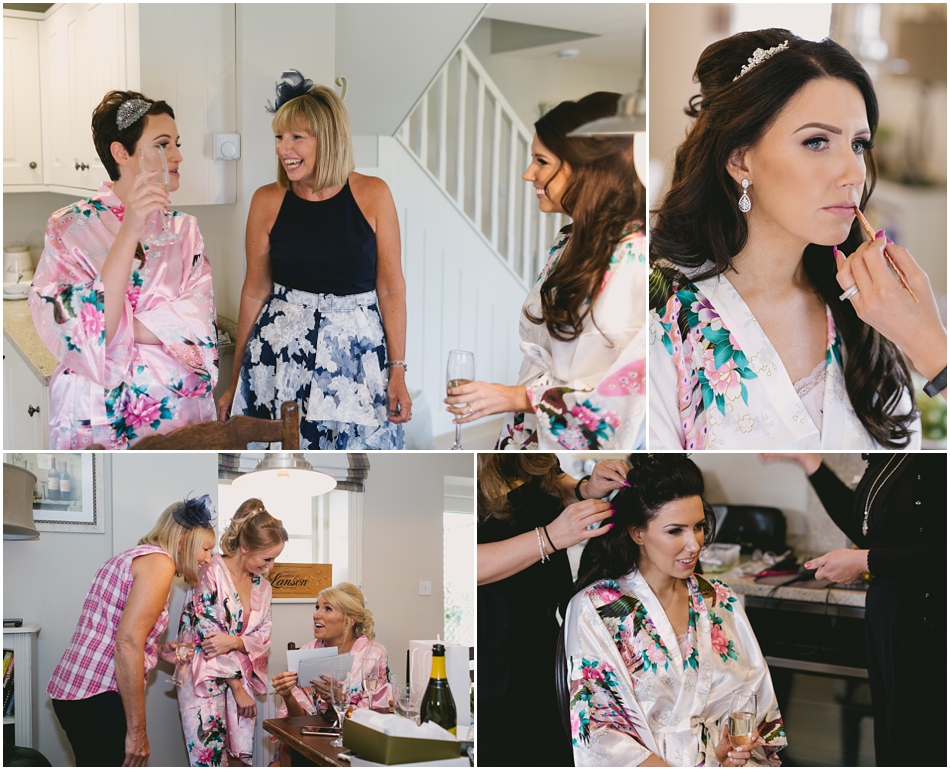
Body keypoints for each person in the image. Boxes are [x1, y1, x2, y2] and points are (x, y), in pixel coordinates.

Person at [649, 29, 922, 450]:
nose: (853, 173)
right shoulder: (661, 318)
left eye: (858, 145)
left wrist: (924, 340)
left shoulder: (868, 310)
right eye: (816, 142)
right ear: (740, 158)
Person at [217, 71, 410, 449]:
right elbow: (255, 291)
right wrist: (235, 378)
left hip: (356, 364)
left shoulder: (374, 195)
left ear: (329, 139)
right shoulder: (266, 201)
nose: (283, 149)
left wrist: (398, 371)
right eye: (279, 137)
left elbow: (390, 288)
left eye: (296, 138)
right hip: (277, 363)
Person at [445, 92, 647, 450]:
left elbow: (627, 388)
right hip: (531, 432)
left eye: (541, 161)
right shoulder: (568, 240)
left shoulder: (634, 258)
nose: (528, 174)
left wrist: (516, 397)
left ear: (588, 167)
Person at [567, 455, 787, 767]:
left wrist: (731, 749)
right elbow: (599, 733)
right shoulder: (597, 610)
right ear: (637, 533)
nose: (694, 544)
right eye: (675, 531)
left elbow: (755, 703)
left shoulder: (720, 599)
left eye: (698, 527)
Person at [29, 90, 218, 449]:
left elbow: (199, 320)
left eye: (177, 144)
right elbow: (78, 328)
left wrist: (114, 320)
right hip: (97, 409)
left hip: (175, 409)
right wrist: (130, 228)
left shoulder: (184, 229)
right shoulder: (68, 227)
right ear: (121, 153)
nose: (178, 156)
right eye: (163, 145)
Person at [760, 452, 944, 767]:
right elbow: (869, 529)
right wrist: (810, 462)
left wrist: (865, 561)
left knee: (922, 744)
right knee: (895, 741)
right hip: (889, 615)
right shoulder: (893, 457)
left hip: (931, 620)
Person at [477, 455, 628, 767]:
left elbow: (549, 487)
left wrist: (587, 489)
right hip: (494, 647)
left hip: (544, 633)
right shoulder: (474, 467)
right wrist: (548, 538)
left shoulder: (525, 445)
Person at [47, 495, 216, 767]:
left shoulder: (135, 556)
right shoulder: (161, 564)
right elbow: (126, 643)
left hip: (76, 690)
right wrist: (137, 732)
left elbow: (114, 629)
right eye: (206, 549)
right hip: (98, 694)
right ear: (184, 540)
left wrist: (158, 651)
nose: (208, 559)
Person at [177, 499, 288, 766]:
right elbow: (207, 636)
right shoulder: (209, 571)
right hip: (205, 680)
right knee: (211, 759)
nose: (270, 566)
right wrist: (236, 688)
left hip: (244, 683)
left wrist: (235, 641)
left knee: (241, 759)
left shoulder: (264, 587)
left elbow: (263, 638)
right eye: (267, 558)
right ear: (246, 547)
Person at [270, 583, 391, 765]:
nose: (316, 614)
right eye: (317, 607)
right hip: (311, 744)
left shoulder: (373, 655)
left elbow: (378, 717)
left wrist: (339, 701)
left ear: (350, 620)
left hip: (356, 745)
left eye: (327, 608)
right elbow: (299, 720)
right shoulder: (307, 652)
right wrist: (287, 695)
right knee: (288, 748)